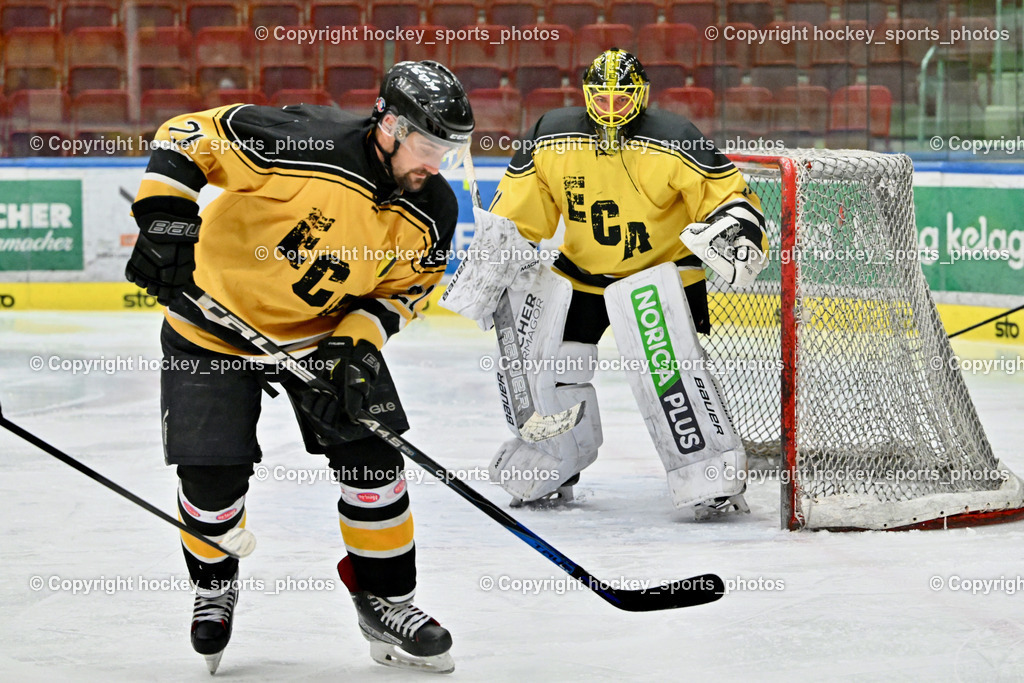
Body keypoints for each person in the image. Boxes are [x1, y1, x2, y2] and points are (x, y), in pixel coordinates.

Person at [124, 60, 473, 674]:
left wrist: (355, 345)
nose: (436, 163)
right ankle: (213, 583)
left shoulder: (432, 204)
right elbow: (187, 135)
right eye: (427, 145)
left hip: (323, 343)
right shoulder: (306, 144)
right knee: (211, 478)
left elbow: (407, 292)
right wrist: (165, 220)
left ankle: (388, 601)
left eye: (449, 149)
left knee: (374, 462)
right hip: (212, 329)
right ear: (388, 125)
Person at [442, 49, 768, 519]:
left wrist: (735, 230)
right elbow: (518, 215)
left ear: (642, 96)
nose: (612, 108)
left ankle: (708, 474)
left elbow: (728, 197)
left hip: (661, 271)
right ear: (587, 94)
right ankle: (556, 458)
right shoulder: (550, 136)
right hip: (583, 273)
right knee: (552, 367)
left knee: (665, 374)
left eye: (623, 98)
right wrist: (493, 261)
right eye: (603, 97)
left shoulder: (676, 139)